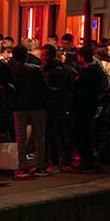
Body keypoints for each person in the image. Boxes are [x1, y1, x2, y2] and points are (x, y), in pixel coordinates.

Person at [11, 44, 49, 177]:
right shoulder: (36, 69)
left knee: (20, 138)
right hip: (37, 105)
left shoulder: (13, 70)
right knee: (39, 137)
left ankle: (23, 166)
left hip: (19, 107)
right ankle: (41, 166)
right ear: (26, 55)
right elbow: (45, 87)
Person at [71, 45, 104, 171]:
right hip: (91, 105)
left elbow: (76, 87)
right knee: (88, 133)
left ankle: (86, 161)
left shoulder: (87, 72)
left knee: (82, 134)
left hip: (83, 107)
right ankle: (89, 160)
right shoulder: (96, 70)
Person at [41, 44, 71, 173]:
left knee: (53, 132)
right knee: (56, 132)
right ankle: (61, 158)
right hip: (53, 104)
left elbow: (59, 89)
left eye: (46, 55)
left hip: (56, 105)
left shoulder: (58, 70)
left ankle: (57, 161)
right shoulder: (50, 68)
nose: (43, 57)